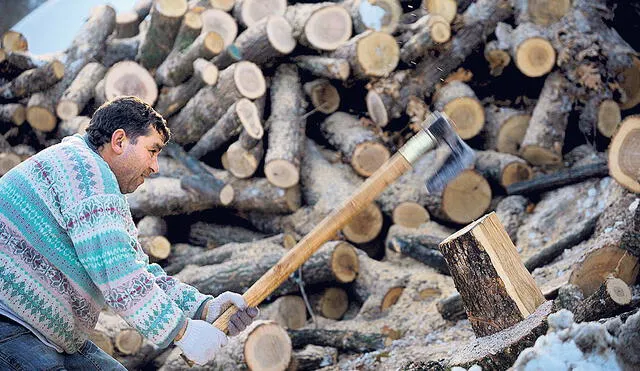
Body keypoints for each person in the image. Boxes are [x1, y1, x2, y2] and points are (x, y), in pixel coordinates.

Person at [0, 96, 258, 369]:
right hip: (10, 323)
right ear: (119, 141)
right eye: (152, 151)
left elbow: (140, 272)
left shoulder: (97, 179)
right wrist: (183, 332)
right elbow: (118, 273)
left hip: (40, 331)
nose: (155, 167)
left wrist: (204, 309)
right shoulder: (85, 174)